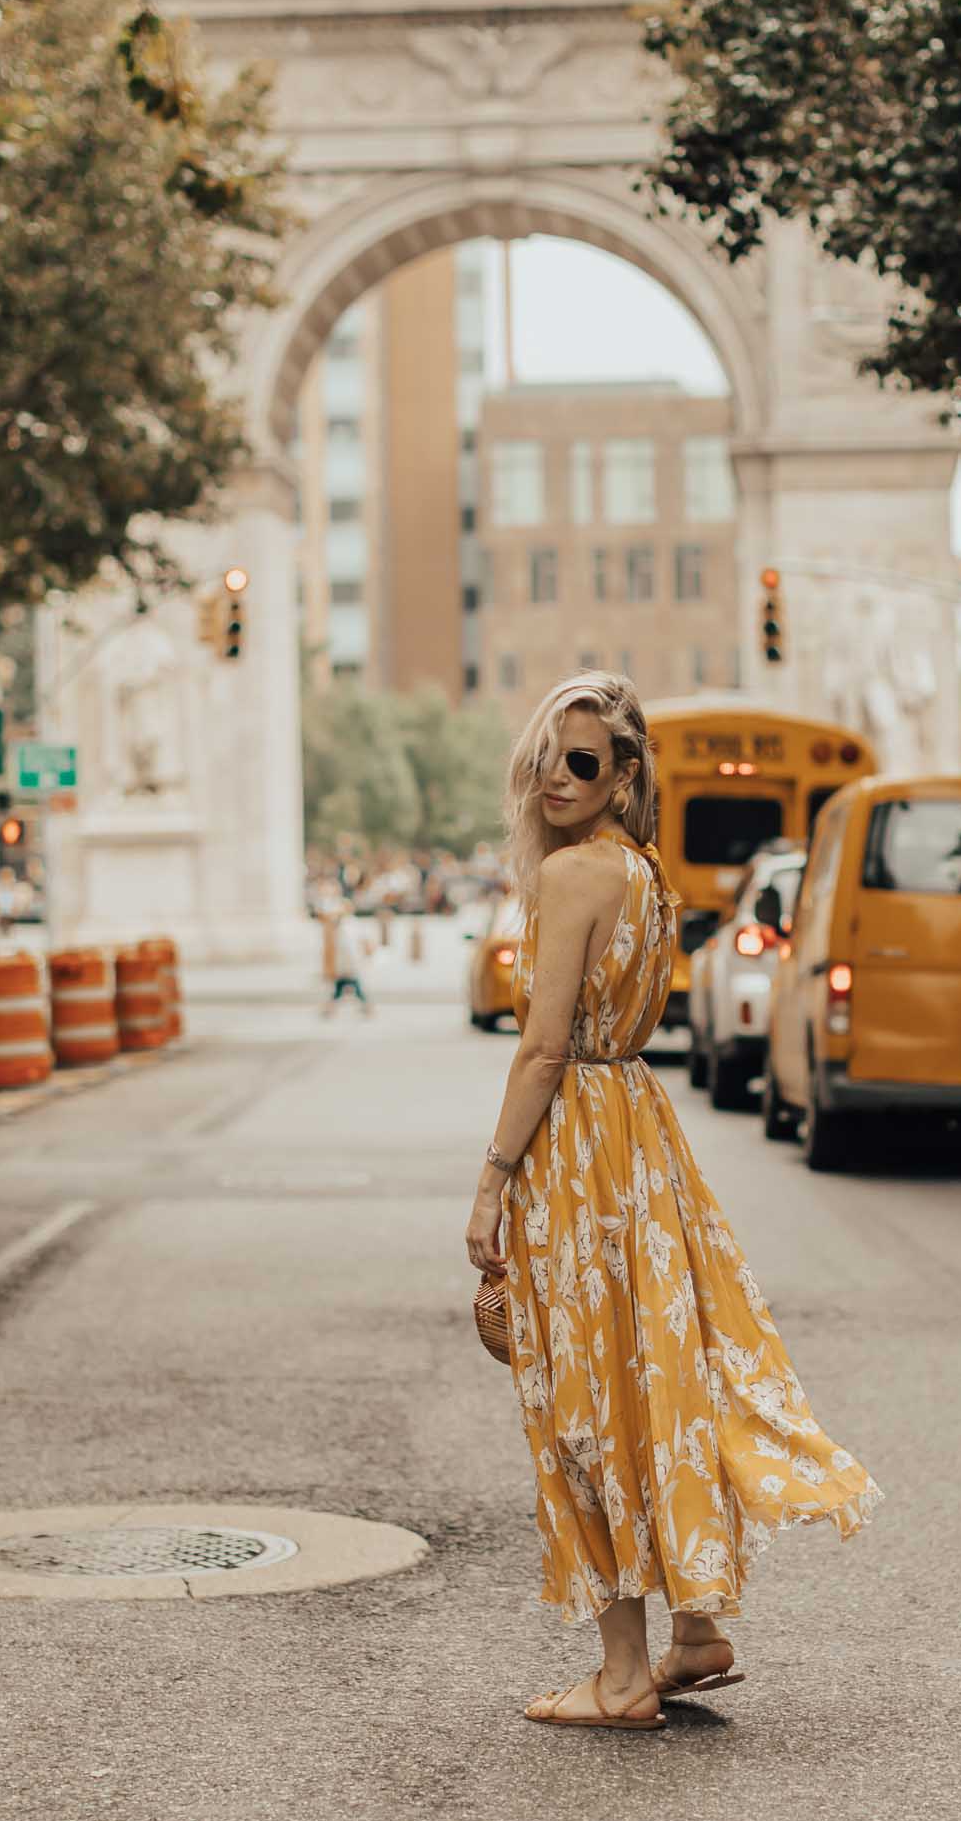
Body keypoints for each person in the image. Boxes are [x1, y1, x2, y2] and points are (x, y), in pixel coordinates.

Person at [465, 670, 878, 1732]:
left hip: (577, 1151)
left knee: (579, 1403)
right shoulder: (646, 876)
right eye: (546, 756)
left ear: (623, 775)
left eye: (583, 762)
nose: (557, 776)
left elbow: (545, 1045)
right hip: (642, 1145)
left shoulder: (569, 880)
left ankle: (619, 1677)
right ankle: (694, 1630)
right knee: (654, 1378)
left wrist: (492, 1182)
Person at [321, 902, 372, 1017]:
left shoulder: (353, 923)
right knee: (346, 987)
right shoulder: (337, 924)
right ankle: (365, 1007)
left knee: (346, 987)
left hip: (351, 962)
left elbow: (362, 942)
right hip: (344, 963)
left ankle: (330, 1008)